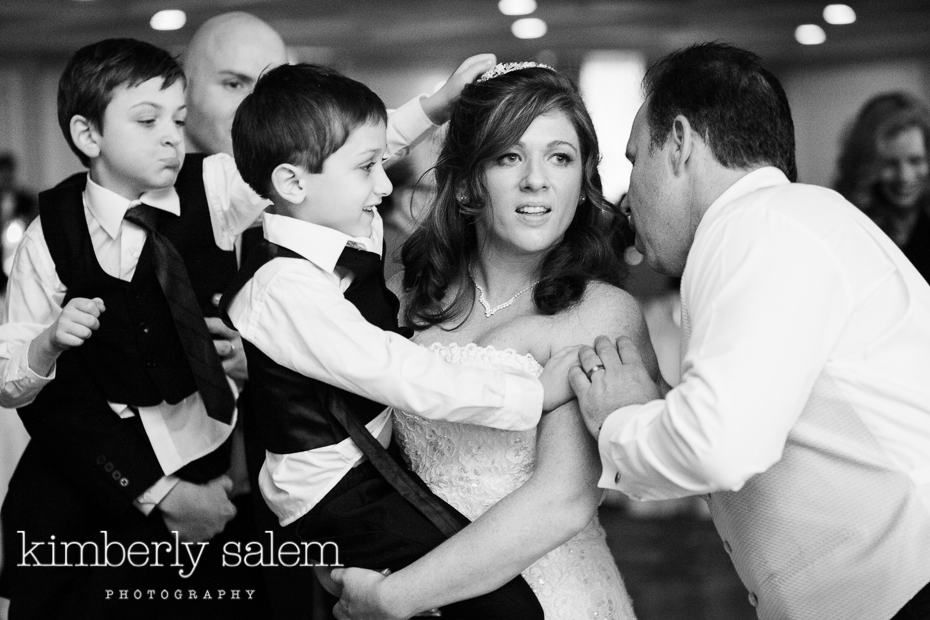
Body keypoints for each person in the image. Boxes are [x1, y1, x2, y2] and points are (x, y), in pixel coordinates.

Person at [569, 42, 930, 620]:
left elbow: (718, 445)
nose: (629, 196)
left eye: (635, 160)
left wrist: (619, 421)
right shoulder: (786, 223)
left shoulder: (758, 226)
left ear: (681, 142)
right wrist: (662, 406)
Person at [223, 62, 588, 619]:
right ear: (293, 183)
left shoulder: (330, 217)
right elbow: (400, 371)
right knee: (505, 610)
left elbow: (339, 147)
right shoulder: (284, 287)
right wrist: (533, 394)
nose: (386, 183)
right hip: (338, 494)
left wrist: (436, 105)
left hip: (370, 468)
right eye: (370, 168)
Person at [332, 62, 654, 620]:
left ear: (582, 185)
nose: (537, 180)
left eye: (560, 157)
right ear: (468, 181)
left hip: (548, 600)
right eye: (510, 156)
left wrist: (395, 598)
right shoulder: (403, 294)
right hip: (421, 588)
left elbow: (562, 501)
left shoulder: (600, 312)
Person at [0, 38, 270, 619]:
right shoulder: (47, 238)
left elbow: (314, 153)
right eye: (147, 121)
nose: (173, 135)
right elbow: (16, 387)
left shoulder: (214, 190)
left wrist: (427, 110)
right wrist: (47, 345)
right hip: (80, 502)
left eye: (177, 118)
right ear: (88, 136)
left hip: (206, 465)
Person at [835, 91, 930, 282]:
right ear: (866, 165)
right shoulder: (846, 228)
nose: (905, 176)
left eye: (915, 160)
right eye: (889, 164)